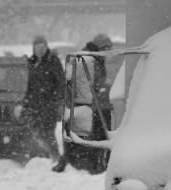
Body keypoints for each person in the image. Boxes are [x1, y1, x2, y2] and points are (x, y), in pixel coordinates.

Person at [53, 33, 113, 173]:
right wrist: (101, 91)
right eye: (107, 48)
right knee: (96, 135)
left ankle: (90, 163)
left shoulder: (92, 57)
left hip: (89, 104)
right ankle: (94, 165)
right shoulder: (86, 60)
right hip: (88, 105)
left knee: (87, 136)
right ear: (100, 47)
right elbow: (87, 85)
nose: (108, 52)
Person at [23, 35, 65, 164]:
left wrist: (58, 101)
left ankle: (55, 156)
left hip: (49, 104)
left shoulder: (53, 62)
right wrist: (26, 101)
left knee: (48, 132)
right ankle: (40, 157)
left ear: (46, 47)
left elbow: (61, 83)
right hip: (34, 105)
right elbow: (28, 84)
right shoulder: (31, 63)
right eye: (37, 47)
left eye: (42, 46)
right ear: (33, 48)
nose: (40, 50)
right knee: (35, 133)